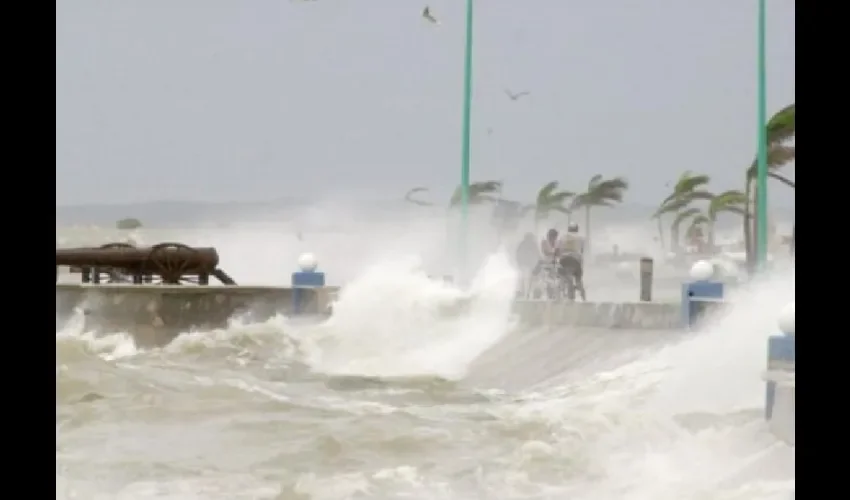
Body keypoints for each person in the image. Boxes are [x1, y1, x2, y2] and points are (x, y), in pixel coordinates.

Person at [558, 223, 587, 301]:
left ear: (568, 229)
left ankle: (562, 292)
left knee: (563, 278)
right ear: (577, 229)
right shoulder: (581, 238)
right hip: (575, 261)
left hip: (563, 261)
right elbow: (582, 250)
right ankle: (583, 298)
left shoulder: (562, 237)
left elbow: (558, 249)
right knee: (578, 279)